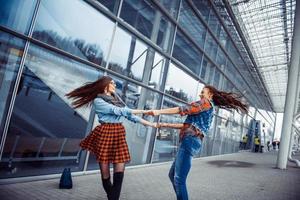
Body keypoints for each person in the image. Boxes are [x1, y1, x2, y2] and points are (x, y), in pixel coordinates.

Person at [147, 85, 248, 200]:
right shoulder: (209, 109)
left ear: (210, 95)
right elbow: (188, 126)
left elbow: (183, 109)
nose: (200, 94)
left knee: (179, 180)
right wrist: (164, 124)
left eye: (202, 92)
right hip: (191, 141)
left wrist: (158, 112)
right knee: (173, 175)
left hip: (189, 142)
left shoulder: (205, 103)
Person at [66, 76, 155, 200]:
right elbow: (117, 111)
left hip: (118, 133)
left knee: (120, 168)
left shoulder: (115, 98)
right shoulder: (98, 101)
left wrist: (150, 124)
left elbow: (130, 115)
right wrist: (144, 112)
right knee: (105, 172)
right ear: (105, 85)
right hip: (105, 133)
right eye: (112, 83)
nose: (114, 85)